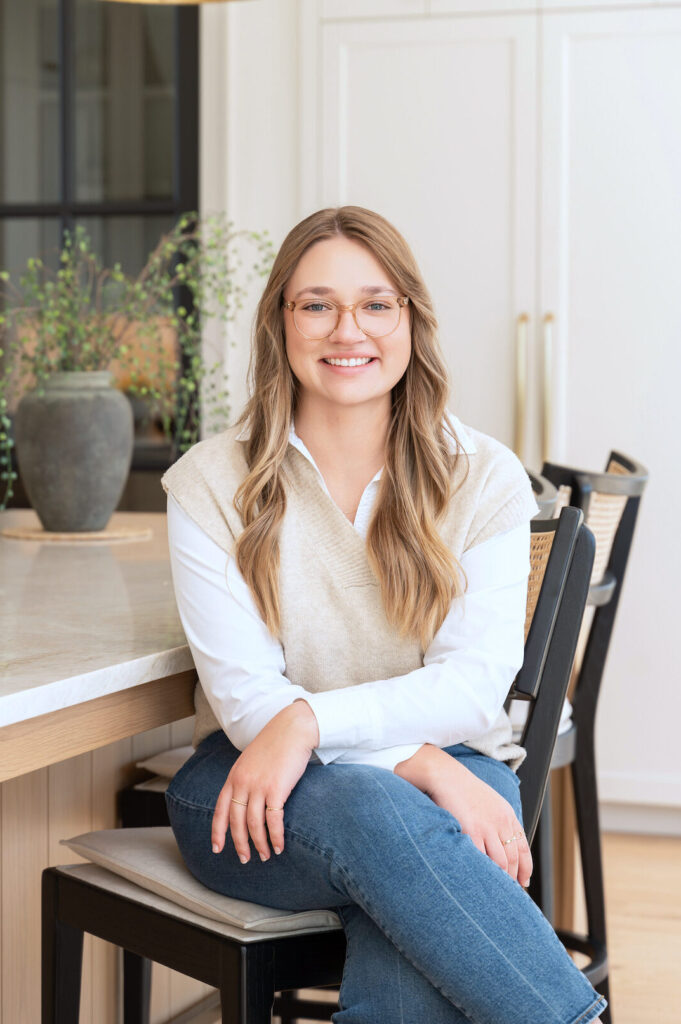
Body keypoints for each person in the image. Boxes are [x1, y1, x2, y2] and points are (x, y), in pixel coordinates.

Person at [162, 206, 607, 1024]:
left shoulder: (481, 476)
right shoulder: (209, 483)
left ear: (409, 320)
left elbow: (473, 687)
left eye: (375, 303)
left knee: (403, 916)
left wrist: (309, 724)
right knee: (384, 818)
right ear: (280, 323)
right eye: (316, 304)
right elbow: (244, 699)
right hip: (249, 789)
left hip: (448, 777)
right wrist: (419, 763)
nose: (348, 329)